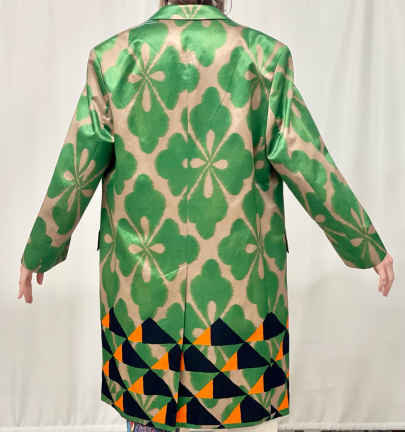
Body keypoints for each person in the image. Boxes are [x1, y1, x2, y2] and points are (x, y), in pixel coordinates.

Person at [18, 0, 395, 431]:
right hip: (239, 296)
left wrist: (40, 250)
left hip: (142, 293)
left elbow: (76, 170)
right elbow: (309, 164)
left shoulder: (113, 59)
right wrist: (364, 242)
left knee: (149, 413)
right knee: (235, 412)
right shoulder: (263, 58)